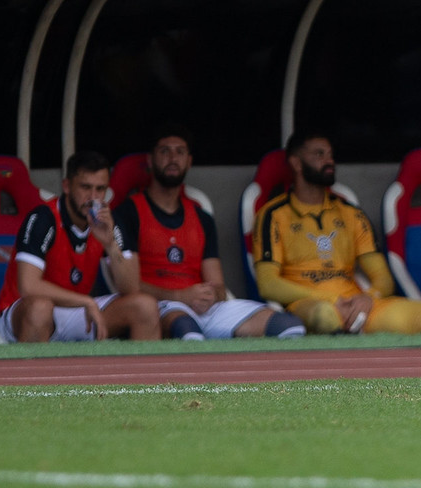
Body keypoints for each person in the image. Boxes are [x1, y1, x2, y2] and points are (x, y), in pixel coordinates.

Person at [253, 132, 421, 336]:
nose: (329, 161)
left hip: (358, 305)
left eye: (330, 155)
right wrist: (331, 299)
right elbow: (268, 285)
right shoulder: (273, 215)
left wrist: (368, 297)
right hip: (308, 305)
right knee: (325, 317)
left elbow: (382, 278)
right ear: (296, 163)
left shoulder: (350, 213)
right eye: (319, 154)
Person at [116, 131, 303, 342]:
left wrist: (211, 295)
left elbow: (218, 285)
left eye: (180, 152)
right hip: (160, 307)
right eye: (164, 151)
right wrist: (179, 296)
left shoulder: (201, 217)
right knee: (187, 330)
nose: (173, 158)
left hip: (204, 308)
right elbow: (129, 286)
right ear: (150, 160)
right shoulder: (128, 213)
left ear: (189, 161)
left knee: (287, 326)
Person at [0, 151, 159, 343]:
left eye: (100, 189)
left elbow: (130, 288)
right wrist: (85, 301)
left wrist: (110, 244)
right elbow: (28, 286)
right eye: (85, 187)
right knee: (40, 308)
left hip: (75, 311)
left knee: (145, 306)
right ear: (67, 186)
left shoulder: (107, 221)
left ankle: (140, 365)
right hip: (22, 313)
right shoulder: (44, 217)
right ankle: (31, 365)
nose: (93, 197)